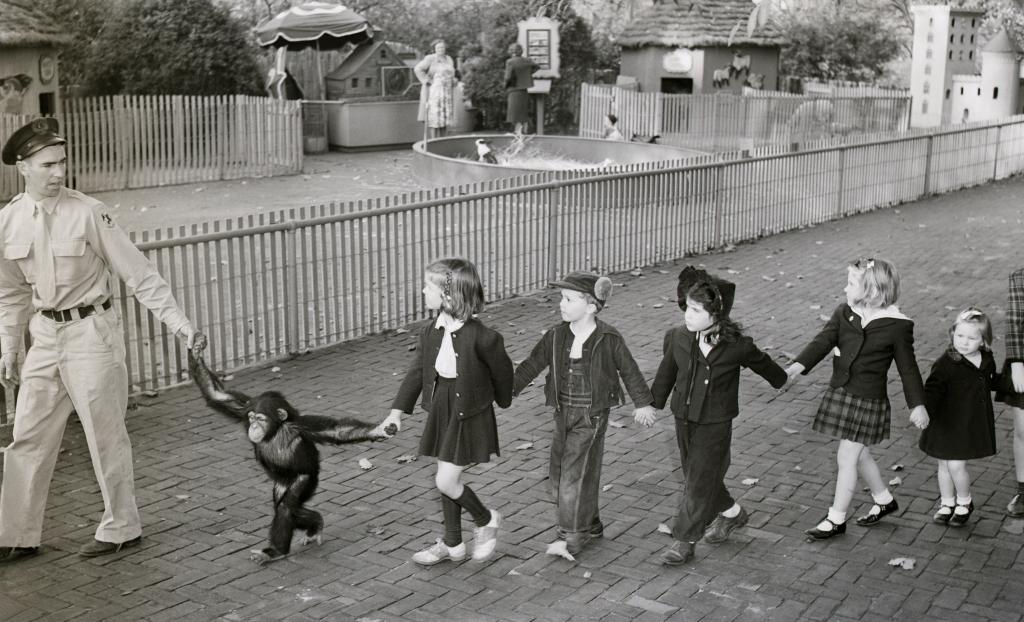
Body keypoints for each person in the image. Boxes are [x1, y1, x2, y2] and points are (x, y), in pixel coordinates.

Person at [0, 118, 207, 564]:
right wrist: (9, 349)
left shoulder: (90, 212)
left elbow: (139, 275)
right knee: (26, 437)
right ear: (23, 167)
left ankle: (121, 527)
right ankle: (16, 534)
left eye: (62, 163)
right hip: (45, 336)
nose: (59, 173)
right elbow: (11, 293)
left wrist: (181, 325)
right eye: (48, 164)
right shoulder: (8, 221)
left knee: (104, 434)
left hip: (92, 334)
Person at [638, 267, 787, 565]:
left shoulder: (737, 346)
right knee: (697, 475)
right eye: (687, 308)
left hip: (716, 422)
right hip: (683, 417)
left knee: (697, 481)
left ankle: (685, 540)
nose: (687, 315)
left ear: (716, 313)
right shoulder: (678, 337)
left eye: (695, 310)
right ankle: (733, 513)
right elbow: (666, 374)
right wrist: (651, 404)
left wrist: (782, 379)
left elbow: (764, 364)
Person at [785, 258, 929, 540]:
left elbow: (908, 368)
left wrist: (917, 404)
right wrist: (795, 368)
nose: (844, 287)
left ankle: (836, 519)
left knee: (847, 456)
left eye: (851, 283)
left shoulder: (898, 326)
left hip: (868, 399)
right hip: (842, 392)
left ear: (873, 291)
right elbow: (822, 342)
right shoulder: (844, 313)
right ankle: (884, 500)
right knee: (859, 454)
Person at [513, 271, 655, 556]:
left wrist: (643, 402)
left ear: (591, 306)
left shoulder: (608, 337)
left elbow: (629, 369)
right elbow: (532, 364)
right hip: (562, 412)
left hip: (592, 416)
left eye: (568, 299)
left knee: (572, 476)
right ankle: (589, 522)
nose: (561, 304)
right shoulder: (556, 335)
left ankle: (572, 535)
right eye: (561, 298)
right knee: (558, 475)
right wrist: (507, 390)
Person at [383, 258, 513, 565]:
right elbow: (417, 372)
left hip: (469, 412)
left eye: (428, 286)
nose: (422, 290)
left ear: (449, 296)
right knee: (446, 474)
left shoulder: (484, 337)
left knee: (446, 480)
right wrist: (397, 412)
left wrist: (499, 400)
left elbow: (503, 373)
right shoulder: (431, 330)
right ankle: (454, 544)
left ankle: (486, 519)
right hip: (443, 405)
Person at [919, 308, 999, 527]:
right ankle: (948, 503)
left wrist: (1009, 385)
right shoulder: (946, 363)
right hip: (946, 422)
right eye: (959, 336)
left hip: (968, 423)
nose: (964, 342)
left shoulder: (986, 359)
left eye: (972, 338)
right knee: (945, 465)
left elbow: (990, 381)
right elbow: (932, 390)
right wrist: (924, 410)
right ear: (952, 333)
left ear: (983, 341)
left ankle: (964, 502)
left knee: (955, 465)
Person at [995, 268, 1024, 518]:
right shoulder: (1019, 277)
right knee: (1023, 429)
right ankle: (1023, 490)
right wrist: (1016, 363)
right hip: (1023, 364)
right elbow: (1014, 322)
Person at [414, 39, 457, 139]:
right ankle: (434, 140)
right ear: (434, 49)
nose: (441, 49)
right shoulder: (430, 58)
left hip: (447, 92)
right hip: (434, 92)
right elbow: (417, 69)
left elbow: (451, 73)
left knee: (445, 116)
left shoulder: (449, 59)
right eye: (438, 47)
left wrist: (453, 80)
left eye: (442, 47)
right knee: (435, 116)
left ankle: (443, 139)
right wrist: (427, 80)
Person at [504, 43, 538, 135]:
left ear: (511, 51)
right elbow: (536, 66)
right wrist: (527, 74)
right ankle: (523, 131)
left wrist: (505, 85)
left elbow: (507, 77)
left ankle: (517, 132)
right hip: (524, 89)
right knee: (522, 111)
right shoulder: (527, 60)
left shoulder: (510, 61)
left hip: (513, 88)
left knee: (514, 113)